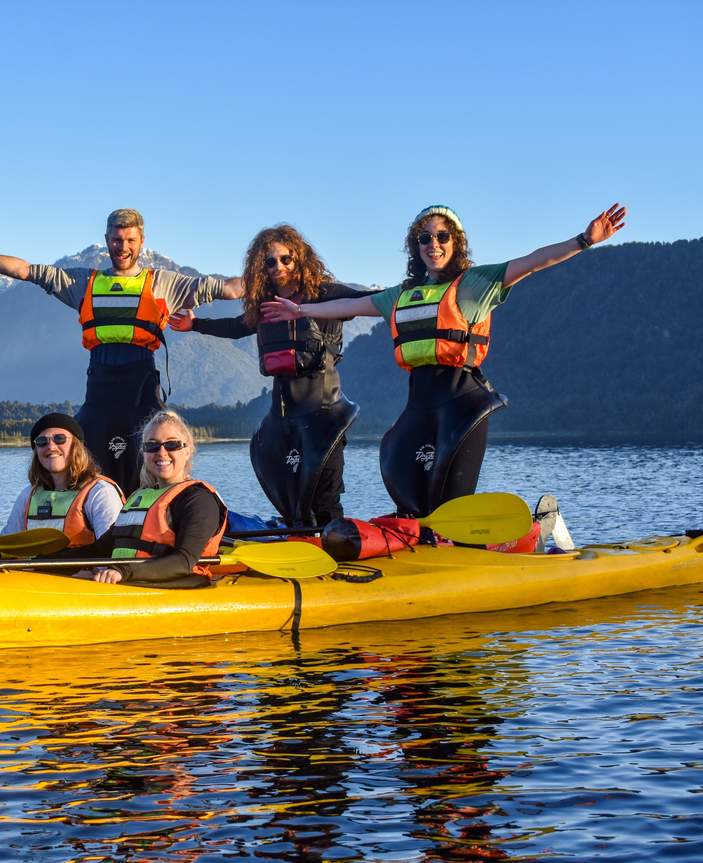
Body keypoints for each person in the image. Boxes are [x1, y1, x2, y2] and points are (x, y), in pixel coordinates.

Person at [261, 203, 628, 516]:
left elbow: (533, 262)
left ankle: (481, 547)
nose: (433, 245)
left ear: (456, 241)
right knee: (410, 494)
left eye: (442, 236)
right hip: (420, 409)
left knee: (450, 506)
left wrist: (584, 241)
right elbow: (351, 305)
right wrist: (299, 310)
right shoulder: (403, 295)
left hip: (462, 408)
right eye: (424, 238)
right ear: (415, 246)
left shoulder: (475, 283)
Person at [0, 209, 244, 494]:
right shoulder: (83, 282)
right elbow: (26, 270)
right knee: (74, 448)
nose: (123, 247)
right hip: (100, 386)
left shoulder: (163, 283)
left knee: (162, 448)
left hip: (141, 386)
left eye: (130, 240)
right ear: (107, 240)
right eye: (117, 240)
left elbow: (228, 289)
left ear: (142, 241)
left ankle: (171, 514)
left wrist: (279, 274)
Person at [170, 225, 373, 526]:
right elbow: (238, 326)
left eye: (285, 259)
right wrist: (196, 324)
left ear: (299, 258)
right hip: (285, 416)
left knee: (325, 497)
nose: (278, 267)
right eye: (270, 261)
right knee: (292, 495)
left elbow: (374, 301)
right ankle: (298, 543)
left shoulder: (327, 294)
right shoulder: (264, 304)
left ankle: (335, 552)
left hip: (326, 413)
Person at [83, 410, 228, 589]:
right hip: (129, 583)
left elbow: (184, 561)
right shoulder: (140, 497)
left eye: (172, 445)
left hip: (177, 589)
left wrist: (123, 571)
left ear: (188, 450)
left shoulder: (198, 499)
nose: (161, 452)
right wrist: (42, 559)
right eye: (152, 446)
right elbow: (99, 549)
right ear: (144, 452)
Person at [1, 413, 124, 549]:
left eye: (60, 439)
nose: (51, 447)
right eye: (42, 441)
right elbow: (6, 544)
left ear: (77, 445)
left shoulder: (100, 492)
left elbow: (113, 550)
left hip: (85, 570)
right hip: (31, 570)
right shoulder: (28, 494)